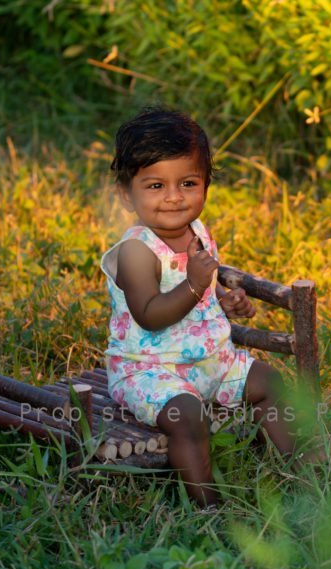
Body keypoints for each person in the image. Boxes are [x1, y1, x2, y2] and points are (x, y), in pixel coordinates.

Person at [101, 106, 298, 507]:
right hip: (150, 370)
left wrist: (225, 300)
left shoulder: (196, 231)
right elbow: (150, 315)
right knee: (188, 418)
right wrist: (193, 283)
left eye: (188, 183)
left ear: (206, 184)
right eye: (155, 186)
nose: (174, 197)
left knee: (270, 384)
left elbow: (201, 290)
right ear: (126, 193)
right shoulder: (137, 251)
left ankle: (299, 471)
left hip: (211, 360)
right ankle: (207, 504)